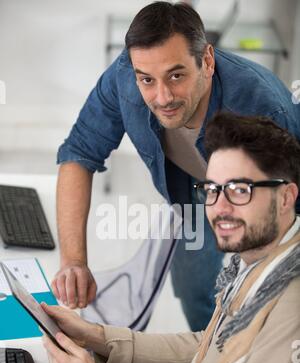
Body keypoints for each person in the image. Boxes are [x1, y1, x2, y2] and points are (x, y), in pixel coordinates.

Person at [43, 113, 300, 363]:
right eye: (211, 189)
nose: (219, 207)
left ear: (285, 197)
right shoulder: (260, 258)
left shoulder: (291, 304)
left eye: (239, 190)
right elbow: (209, 351)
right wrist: (98, 339)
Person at [53, 1, 300, 332]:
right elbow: (79, 152)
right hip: (193, 189)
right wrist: (73, 263)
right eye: (147, 80)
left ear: (207, 61)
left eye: (177, 75)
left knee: (261, 304)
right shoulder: (125, 76)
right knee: (191, 288)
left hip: (263, 198)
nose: (162, 96)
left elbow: (285, 213)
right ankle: (208, 354)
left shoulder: (260, 106)